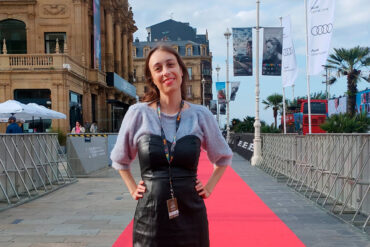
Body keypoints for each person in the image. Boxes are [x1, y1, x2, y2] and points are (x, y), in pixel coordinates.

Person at [110, 45, 232, 246]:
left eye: (170, 64)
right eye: (157, 68)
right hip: (150, 217)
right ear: (152, 78)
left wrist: (209, 188)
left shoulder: (200, 115)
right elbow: (119, 159)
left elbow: (223, 156)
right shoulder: (138, 113)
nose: (166, 72)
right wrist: (132, 188)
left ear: (181, 71)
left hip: (191, 214)